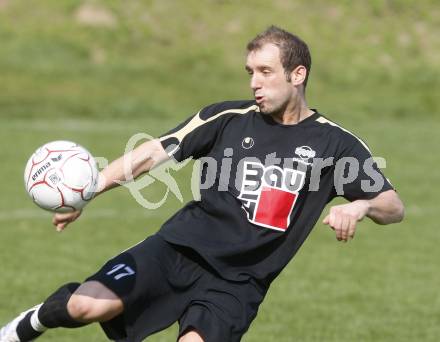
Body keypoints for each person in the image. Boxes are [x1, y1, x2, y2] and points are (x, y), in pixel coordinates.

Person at [0, 26, 404, 342]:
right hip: (179, 249)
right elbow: (151, 154)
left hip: (239, 283)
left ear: (297, 74)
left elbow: (393, 205)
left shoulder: (335, 143)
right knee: (85, 307)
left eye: (265, 72)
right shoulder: (226, 117)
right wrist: (88, 191)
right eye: (250, 73)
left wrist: (361, 206)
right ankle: (30, 323)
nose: (254, 84)